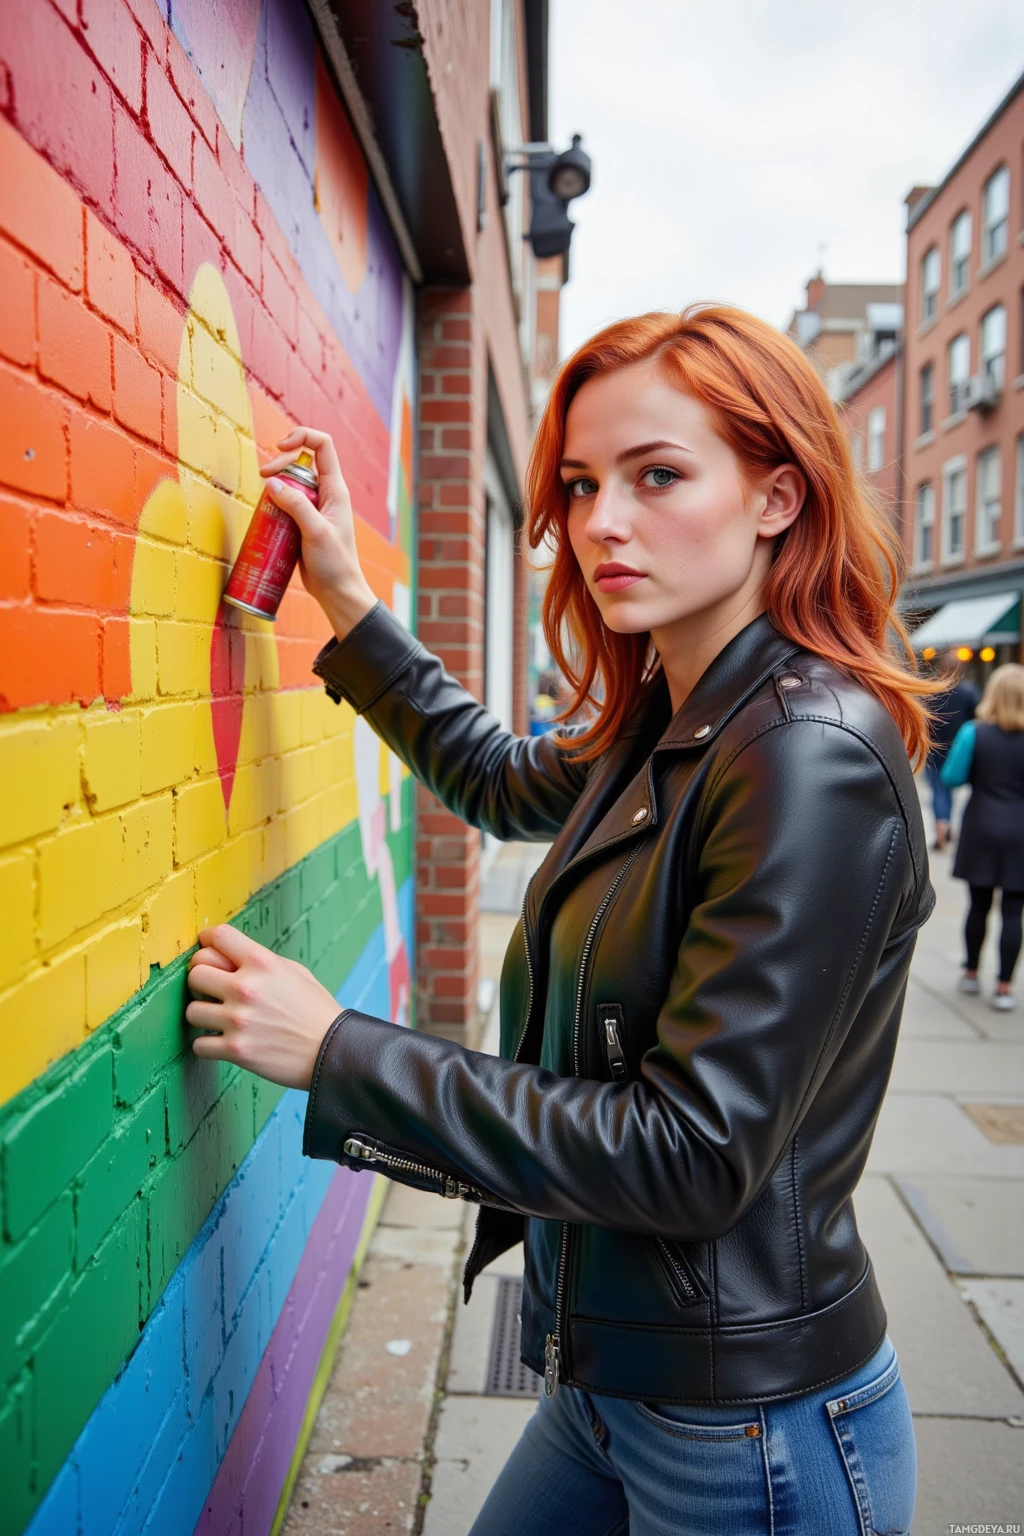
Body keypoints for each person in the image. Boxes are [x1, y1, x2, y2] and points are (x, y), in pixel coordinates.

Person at [186, 306, 943, 1536]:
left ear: (777, 499)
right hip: (612, 1380)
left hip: (750, 1440)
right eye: (583, 484)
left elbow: (690, 1152)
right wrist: (343, 595)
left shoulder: (806, 757)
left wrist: (342, 1053)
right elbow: (494, 775)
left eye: (658, 476)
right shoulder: (672, 713)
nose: (600, 523)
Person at [941, 663, 1024, 1011]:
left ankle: (972, 973)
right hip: (1021, 830)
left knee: (978, 905)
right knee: (1013, 911)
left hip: (981, 826)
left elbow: (951, 776)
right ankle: (1004, 986)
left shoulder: (974, 732)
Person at [923, 651, 979, 850]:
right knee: (951, 789)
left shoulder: (932, 690)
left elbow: (924, 719)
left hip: (935, 747)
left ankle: (941, 828)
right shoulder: (969, 692)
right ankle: (948, 828)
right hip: (959, 749)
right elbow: (977, 719)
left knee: (939, 790)